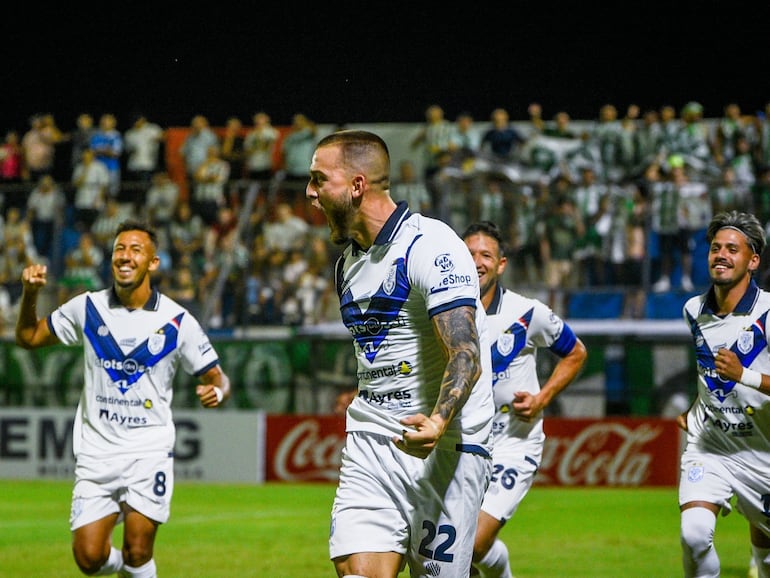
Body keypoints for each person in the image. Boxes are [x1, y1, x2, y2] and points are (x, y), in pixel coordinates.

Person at [306, 129, 494, 578]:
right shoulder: (347, 263)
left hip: (446, 447)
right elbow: (385, 346)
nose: (310, 193)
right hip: (372, 444)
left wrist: (438, 420)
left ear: (356, 185)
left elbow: (465, 351)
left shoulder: (431, 244)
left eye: (318, 179)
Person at [15, 219, 231, 578]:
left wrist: (218, 390)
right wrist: (30, 294)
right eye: (119, 249)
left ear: (153, 262)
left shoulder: (177, 321)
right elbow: (28, 337)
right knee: (88, 558)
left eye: (135, 250)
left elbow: (216, 375)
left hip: (148, 451)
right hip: (96, 454)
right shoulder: (87, 308)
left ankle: (136, 567)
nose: (125, 256)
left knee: (137, 549)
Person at [462, 220, 587, 578]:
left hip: (512, 444)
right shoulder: (443, 313)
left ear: (501, 264)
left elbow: (576, 352)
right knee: (450, 547)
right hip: (460, 444)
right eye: (469, 253)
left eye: (486, 255)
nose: (477, 262)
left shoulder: (526, 313)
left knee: (471, 543)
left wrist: (542, 397)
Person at [677, 210, 770, 578]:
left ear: (753, 260)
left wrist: (744, 375)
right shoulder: (693, 310)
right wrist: (696, 406)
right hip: (710, 446)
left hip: (762, 452)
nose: (721, 255)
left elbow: (735, 375)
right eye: (716, 248)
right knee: (694, 534)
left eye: (733, 249)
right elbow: (708, 375)